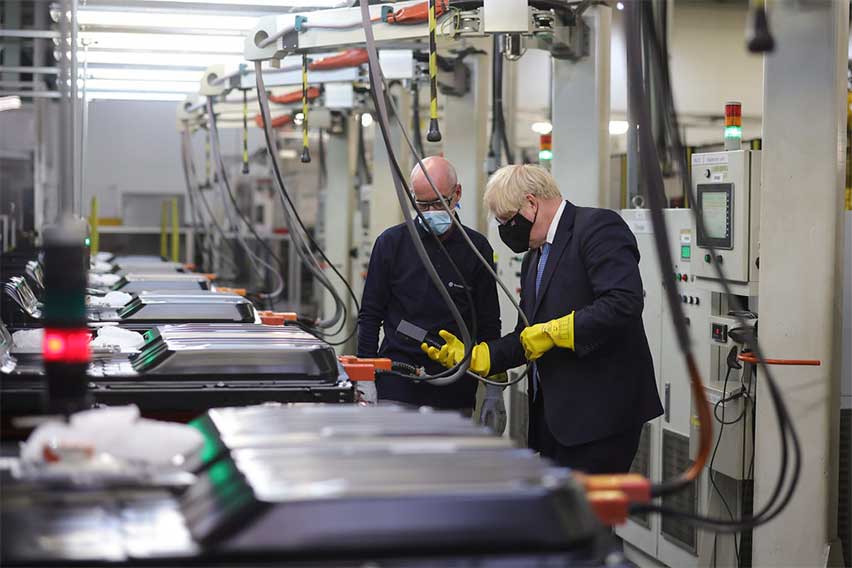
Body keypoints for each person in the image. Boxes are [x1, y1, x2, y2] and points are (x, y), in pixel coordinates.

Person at [424, 164, 663, 473]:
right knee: (560, 503)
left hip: (601, 417)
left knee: (586, 505)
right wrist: (481, 357)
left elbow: (623, 302)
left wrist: (560, 331)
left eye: (507, 221)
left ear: (531, 204)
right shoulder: (534, 257)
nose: (505, 231)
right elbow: (527, 335)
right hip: (555, 419)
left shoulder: (597, 228)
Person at [357, 156, 501, 413]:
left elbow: (489, 324)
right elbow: (370, 316)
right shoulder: (391, 244)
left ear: (457, 194)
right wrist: (365, 379)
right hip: (398, 382)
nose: (431, 211)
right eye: (422, 205)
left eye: (439, 202)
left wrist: (494, 388)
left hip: (456, 387)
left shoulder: (476, 249)